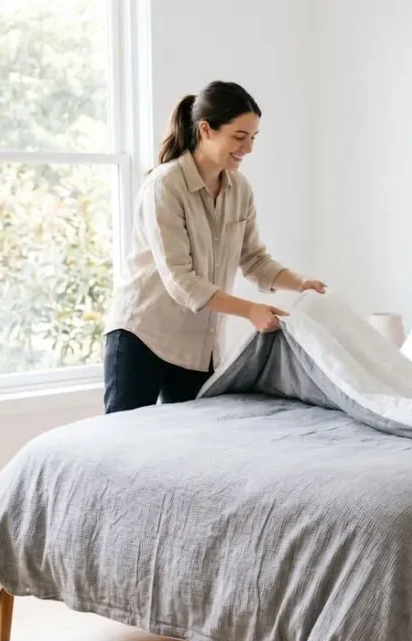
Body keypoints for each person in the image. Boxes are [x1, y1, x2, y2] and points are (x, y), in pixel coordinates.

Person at [102, 81, 326, 414]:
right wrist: (251, 310)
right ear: (205, 130)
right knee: (125, 444)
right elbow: (180, 279)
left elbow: (253, 258)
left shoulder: (239, 188)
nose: (248, 147)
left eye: (253, 137)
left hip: (197, 345)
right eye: (239, 136)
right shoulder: (166, 185)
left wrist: (298, 282)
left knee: (191, 447)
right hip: (144, 336)